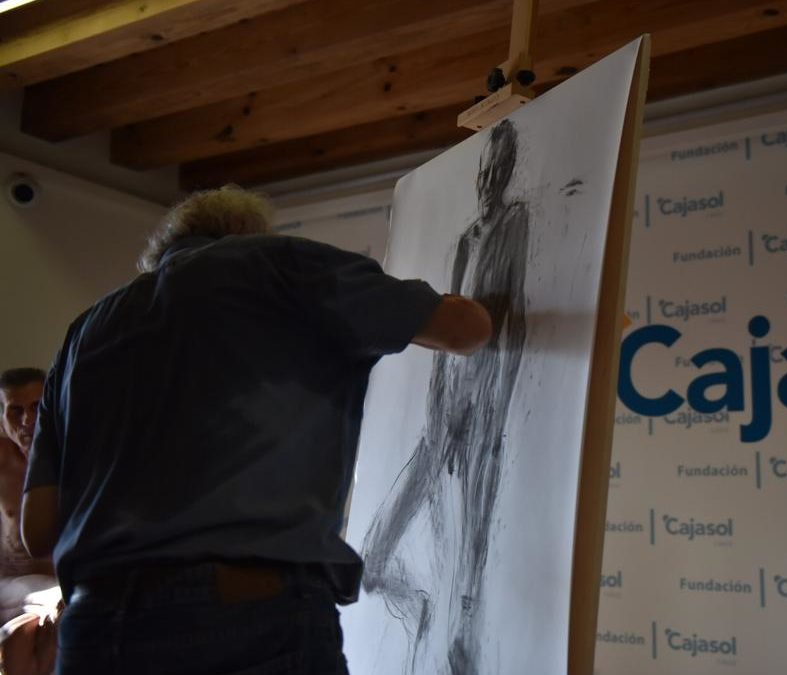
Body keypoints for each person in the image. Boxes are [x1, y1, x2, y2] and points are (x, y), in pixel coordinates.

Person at [19, 185, 492, 675]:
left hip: (97, 629)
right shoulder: (276, 265)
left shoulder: (82, 335)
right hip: (248, 616)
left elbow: (38, 529)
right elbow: (466, 328)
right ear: (247, 234)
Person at [361, 119, 527, 673]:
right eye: (484, 168)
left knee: (476, 526)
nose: (488, 179)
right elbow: (437, 333)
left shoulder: (516, 223)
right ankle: (425, 608)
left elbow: (511, 318)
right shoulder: (464, 239)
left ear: (507, 170)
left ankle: (463, 642)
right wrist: (440, 413)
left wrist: (489, 408)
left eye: (497, 167)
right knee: (373, 559)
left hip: (487, 402)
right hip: (446, 407)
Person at [0, 369, 58, 675]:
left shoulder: (71, 458)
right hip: (9, 588)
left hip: (57, 590)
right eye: (16, 411)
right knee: (21, 640)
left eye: (37, 407)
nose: (27, 421)